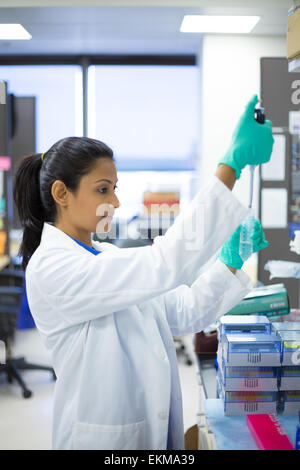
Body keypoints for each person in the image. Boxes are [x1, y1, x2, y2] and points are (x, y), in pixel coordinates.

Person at [14, 94, 273, 450]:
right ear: (62, 193)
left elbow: (183, 312)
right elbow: (164, 263)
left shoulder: (102, 255)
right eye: (103, 189)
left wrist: (230, 260)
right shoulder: (53, 267)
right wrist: (230, 165)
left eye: (115, 189)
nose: (116, 202)